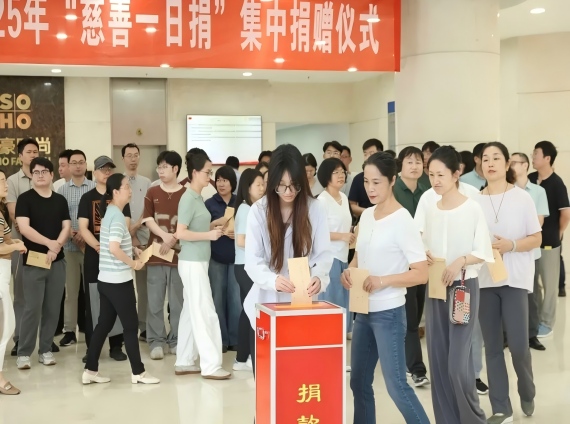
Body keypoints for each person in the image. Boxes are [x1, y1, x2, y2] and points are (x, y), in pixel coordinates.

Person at [340, 152, 430, 424]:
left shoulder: (403, 220)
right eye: (366, 182)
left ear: (392, 181)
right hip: (363, 312)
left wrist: (382, 280)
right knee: (358, 382)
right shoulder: (367, 215)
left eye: (377, 182)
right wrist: (350, 270)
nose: (370, 188)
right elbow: (359, 256)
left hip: (389, 313)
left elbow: (421, 273)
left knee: (396, 386)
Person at [415, 146, 494, 424]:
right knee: (438, 362)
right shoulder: (429, 207)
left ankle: (474, 419)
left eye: (441, 175)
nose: (435, 180)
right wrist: (423, 252)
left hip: (463, 288)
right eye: (431, 174)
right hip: (436, 288)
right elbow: (419, 240)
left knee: (458, 366)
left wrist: (459, 260)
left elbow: (483, 252)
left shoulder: (472, 207)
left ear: (456, 174)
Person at [244, 144, 333, 371]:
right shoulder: (259, 210)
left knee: (297, 376)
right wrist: (272, 280)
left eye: (294, 185)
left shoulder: (315, 209)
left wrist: (319, 277)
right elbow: (252, 260)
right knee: (267, 378)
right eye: (281, 185)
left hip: (301, 303)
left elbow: (323, 255)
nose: (288, 192)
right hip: (266, 302)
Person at [475, 142, 541, 424]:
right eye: (485, 159)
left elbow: (536, 238)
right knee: (492, 347)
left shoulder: (522, 198)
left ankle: (527, 389)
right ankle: (501, 408)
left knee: (518, 345)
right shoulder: (474, 202)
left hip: (515, 279)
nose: (490, 163)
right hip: (485, 280)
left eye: (496, 158)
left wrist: (510, 245)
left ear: (506, 164)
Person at [82, 173, 159, 385]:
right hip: (118, 281)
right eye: (126, 187)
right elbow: (114, 248)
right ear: (115, 192)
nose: (130, 190)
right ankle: (138, 372)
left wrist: (133, 249)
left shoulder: (111, 212)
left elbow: (116, 243)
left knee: (103, 325)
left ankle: (90, 370)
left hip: (107, 280)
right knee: (130, 327)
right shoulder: (116, 216)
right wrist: (133, 263)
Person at [174, 150, 231, 380]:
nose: (210, 176)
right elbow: (181, 232)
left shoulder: (197, 198)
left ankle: (184, 361)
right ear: (195, 172)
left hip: (197, 262)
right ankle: (211, 365)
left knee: (191, 312)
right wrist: (209, 235)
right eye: (207, 172)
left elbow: (195, 226)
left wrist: (214, 225)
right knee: (205, 311)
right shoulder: (188, 198)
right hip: (192, 262)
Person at [15, 157, 71, 370]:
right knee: (32, 308)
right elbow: (24, 228)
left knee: (52, 308)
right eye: (36, 172)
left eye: (44, 171)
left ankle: (46, 349)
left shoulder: (60, 200)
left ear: (51, 175)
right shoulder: (25, 199)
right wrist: (50, 244)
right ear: (31, 175)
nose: (40, 175)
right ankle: (24, 353)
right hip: (34, 261)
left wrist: (56, 247)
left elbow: (66, 227)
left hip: (57, 261)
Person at [78, 156, 129, 363]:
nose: (107, 172)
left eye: (110, 169)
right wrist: (98, 246)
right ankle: (93, 347)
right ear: (95, 172)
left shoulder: (119, 196)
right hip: (94, 256)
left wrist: (109, 247)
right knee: (93, 302)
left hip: (116, 258)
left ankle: (116, 345)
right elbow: (83, 228)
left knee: (116, 301)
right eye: (103, 169)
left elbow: (125, 224)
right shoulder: (87, 197)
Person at [142, 151, 185, 360]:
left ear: (175, 169)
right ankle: (156, 341)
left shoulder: (186, 194)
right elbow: (148, 219)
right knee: (155, 301)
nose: (160, 170)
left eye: (164, 167)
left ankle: (176, 339)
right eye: (159, 167)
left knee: (177, 303)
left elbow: (188, 222)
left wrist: (173, 239)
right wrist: (164, 236)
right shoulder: (152, 191)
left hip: (179, 256)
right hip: (156, 254)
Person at [393, 147, 429, 387]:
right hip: (401, 264)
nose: (415, 166)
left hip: (424, 262)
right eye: (409, 162)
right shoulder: (393, 191)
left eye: (418, 162)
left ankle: (408, 362)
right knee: (409, 317)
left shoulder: (427, 192)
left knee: (414, 316)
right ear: (401, 166)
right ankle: (415, 368)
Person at [528, 140, 570, 337]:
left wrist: (558, 233)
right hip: (530, 242)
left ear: (547, 158)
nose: (533, 157)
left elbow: (565, 214)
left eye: (536, 154)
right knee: (533, 283)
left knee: (549, 284)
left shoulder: (557, 183)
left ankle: (547, 322)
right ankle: (535, 319)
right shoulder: (530, 179)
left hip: (549, 242)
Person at [511, 152, 549, 351]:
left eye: (514, 162)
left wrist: (518, 239)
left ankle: (532, 335)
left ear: (525, 165)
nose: (510, 166)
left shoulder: (538, 191)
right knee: (508, 295)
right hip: (507, 253)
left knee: (530, 295)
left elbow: (539, 222)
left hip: (529, 252)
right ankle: (507, 335)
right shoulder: (506, 189)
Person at [57, 150, 95, 347]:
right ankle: (70, 331)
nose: (78, 166)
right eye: (74, 162)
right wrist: (72, 233)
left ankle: (95, 327)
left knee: (92, 291)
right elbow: (59, 216)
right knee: (70, 292)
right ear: (69, 166)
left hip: (91, 248)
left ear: (86, 165)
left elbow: (98, 217)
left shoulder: (94, 188)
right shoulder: (62, 191)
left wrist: (84, 233)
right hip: (69, 247)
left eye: (81, 162)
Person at [6, 138, 39, 356]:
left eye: (36, 151)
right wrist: (30, 230)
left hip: (42, 245)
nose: (33, 155)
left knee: (40, 292)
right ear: (20, 156)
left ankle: (41, 339)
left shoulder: (42, 178)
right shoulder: (12, 181)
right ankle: (19, 339)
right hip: (20, 245)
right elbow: (13, 212)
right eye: (29, 151)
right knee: (21, 294)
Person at [317, 158, 354, 336]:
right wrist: (342, 236)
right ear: (326, 176)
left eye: (342, 172)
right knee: (331, 301)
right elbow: (317, 232)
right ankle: (329, 339)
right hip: (329, 257)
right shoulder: (321, 201)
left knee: (344, 299)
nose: (341, 175)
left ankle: (340, 339)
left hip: (344, 255)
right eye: (336, 172)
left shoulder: (344, 198)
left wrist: (352, 233)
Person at [205, 165, 240, 352]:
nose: (221, 184)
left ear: (232, 183)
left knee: (235, 299)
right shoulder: (210, 203)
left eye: (224, 180)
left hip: (236, 257)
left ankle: (235, 338)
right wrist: (214, 226)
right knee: (217, 298)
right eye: (218, 180)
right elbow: (202, 228)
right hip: (216, 257)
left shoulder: (240, 202)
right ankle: (221, 339)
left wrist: (237, 233)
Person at [233, 169, 265, 372]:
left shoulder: (252, 208)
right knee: (251, 311)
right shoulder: (246, 209)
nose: (262, 188)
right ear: (248, 187)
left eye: (263, 184)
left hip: (246, 266)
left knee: (247, 311)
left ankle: (242, 358)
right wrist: (264, 248)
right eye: (258, 185)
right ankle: (246, 358)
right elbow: (241, 240)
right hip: (245, 267)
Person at [0, 169, 26, 394]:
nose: (6, 184)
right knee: (4, 328)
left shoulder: (0, 213)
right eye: (1, 181)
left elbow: (6, 239)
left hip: (3, 276)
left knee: (6, 326)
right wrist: (16, 246)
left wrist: (14, 242)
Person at [122, 143, 151, 341]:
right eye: (129, 155)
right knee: (122, 287)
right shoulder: (119, 182)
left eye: (136, 155)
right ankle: (124, 328)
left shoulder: (147, 182)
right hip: (123, 240)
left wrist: (136, 226)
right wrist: (129, 233)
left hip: (143, 239)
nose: (133, 159)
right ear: (123, 158)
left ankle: (144, 326)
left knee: (143, 287)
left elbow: (148, 209)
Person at [349, 138, 383, 217]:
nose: (368, 157)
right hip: (365, 219)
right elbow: (352, 205)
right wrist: (370, 213)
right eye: (365, 154)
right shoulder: (358, 178)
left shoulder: (387, 177)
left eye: (371, 153)